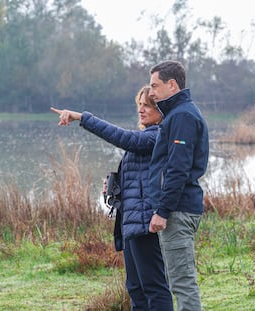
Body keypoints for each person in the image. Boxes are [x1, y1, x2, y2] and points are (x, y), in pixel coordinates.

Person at [50, 85, 174, 311]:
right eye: (139, 105)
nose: (141, 110)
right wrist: (116, 186)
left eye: (147, 105)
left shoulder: (158, 136)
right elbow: (141, 177)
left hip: (146, 222)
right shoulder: (147, 137)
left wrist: (81, 117)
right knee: (135, 288)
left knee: (154, 287)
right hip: (131, 221)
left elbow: (123, 138)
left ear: (161, 111)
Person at [148, 60, 209, 311]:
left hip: (178, 210)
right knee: (179, 281)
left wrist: (163, 211)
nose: (151, 92)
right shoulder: (176, 114)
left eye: (155, 85)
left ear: (172, 85)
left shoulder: (182, 115)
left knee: (183, 283)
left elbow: (177, 170)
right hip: (180, 208)